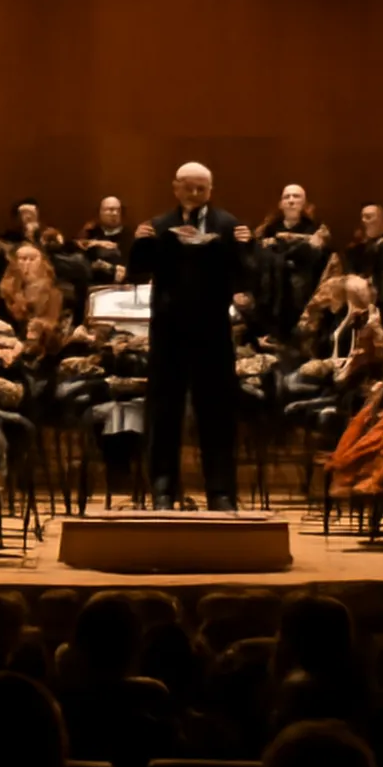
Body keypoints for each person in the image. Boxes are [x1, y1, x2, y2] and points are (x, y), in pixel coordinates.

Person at [129, 161, 250, 511]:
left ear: (210, 190)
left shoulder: (229, 225)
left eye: (202, 189)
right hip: (169, 332)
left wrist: (245, 245)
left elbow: (246, 273)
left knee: (217, 413)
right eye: (189, 188)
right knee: (164, 412)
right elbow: (138, 268)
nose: (195, 195)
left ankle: (221, 492)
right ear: (176, 187)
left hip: (213, 330)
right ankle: (163, 491)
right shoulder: (158, 225)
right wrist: (141, 243)